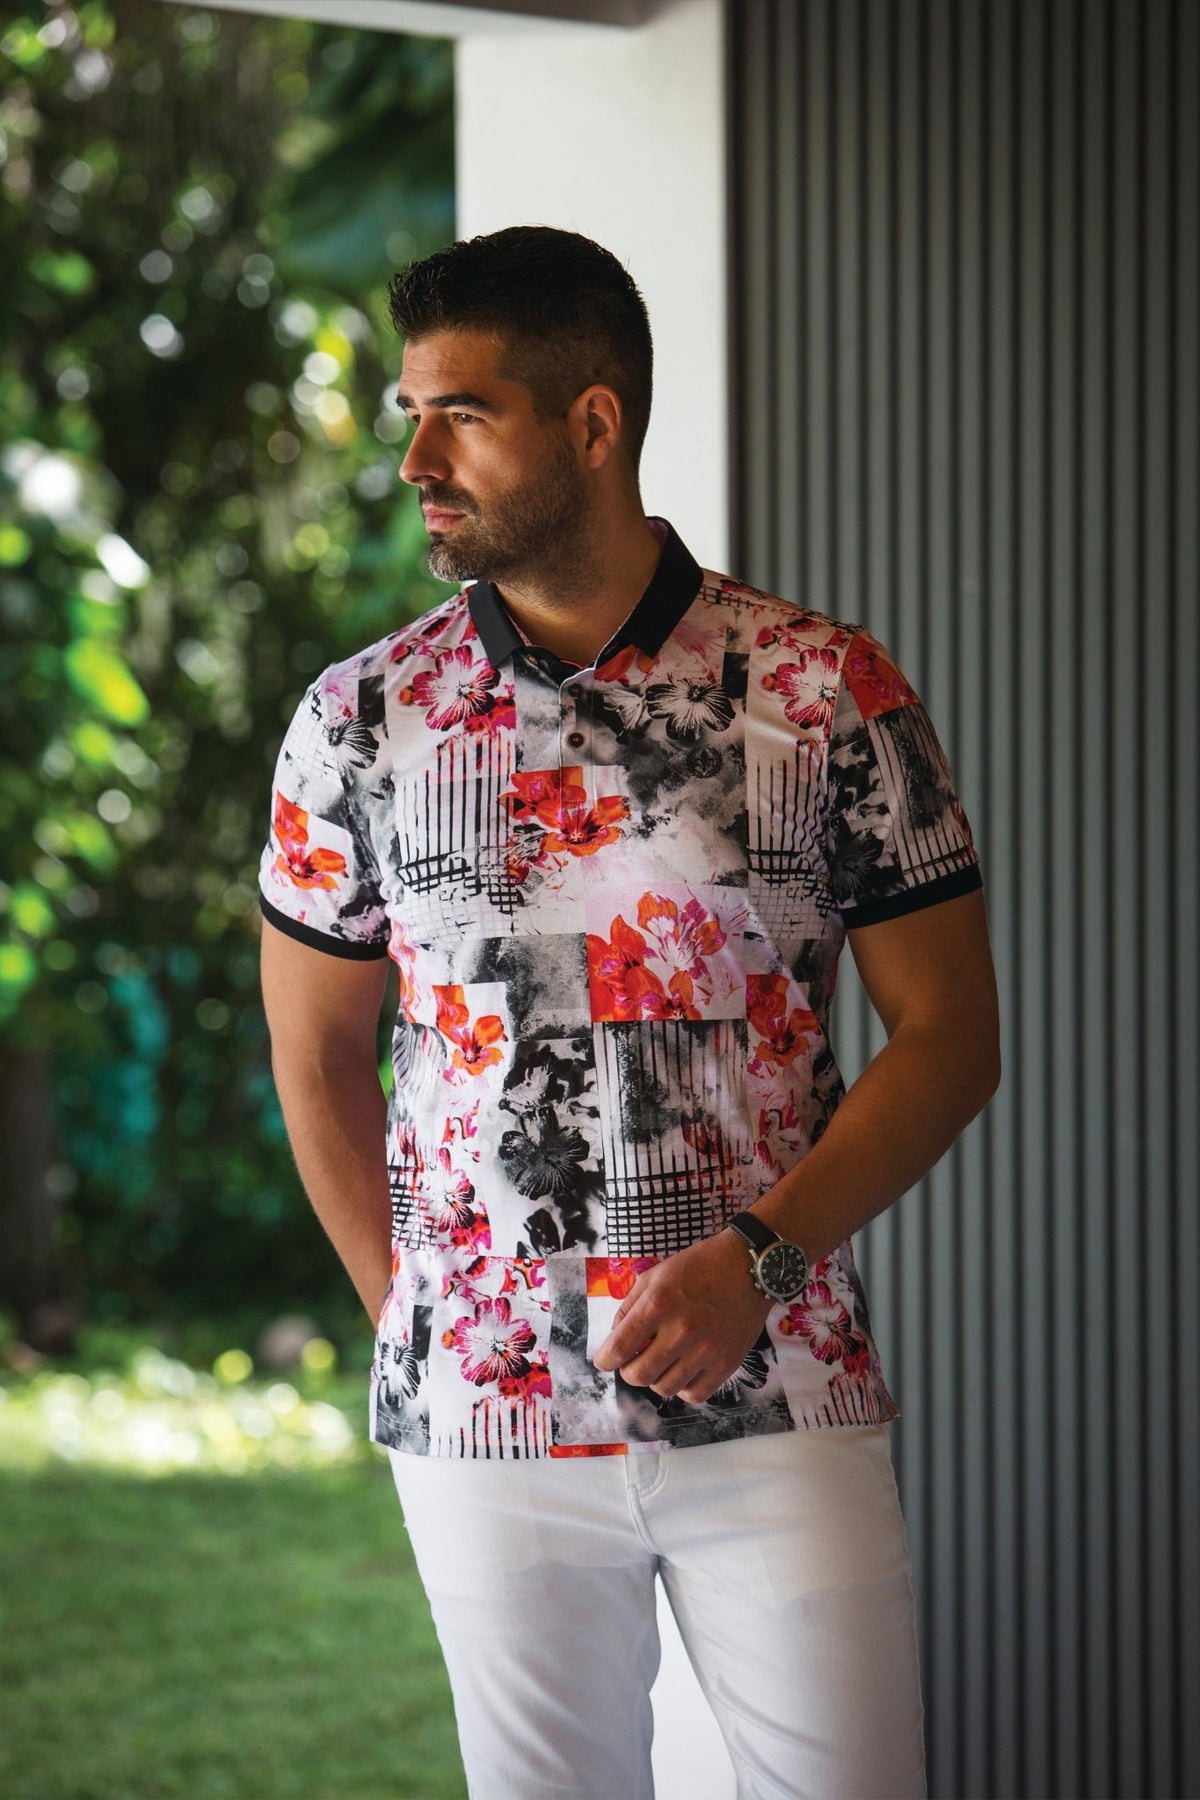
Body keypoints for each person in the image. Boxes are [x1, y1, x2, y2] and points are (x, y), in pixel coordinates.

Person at [258, 225, 1000, 1800]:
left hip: (775, 1388)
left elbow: (951, 1040)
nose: (416, 461)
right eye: (411, 413)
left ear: (592, 423)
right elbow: (315, 1051)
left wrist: (759, 1262)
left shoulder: (824, 692)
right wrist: (417, 1313)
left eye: (462, 414)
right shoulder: (360, 722)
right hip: (485, 1420)